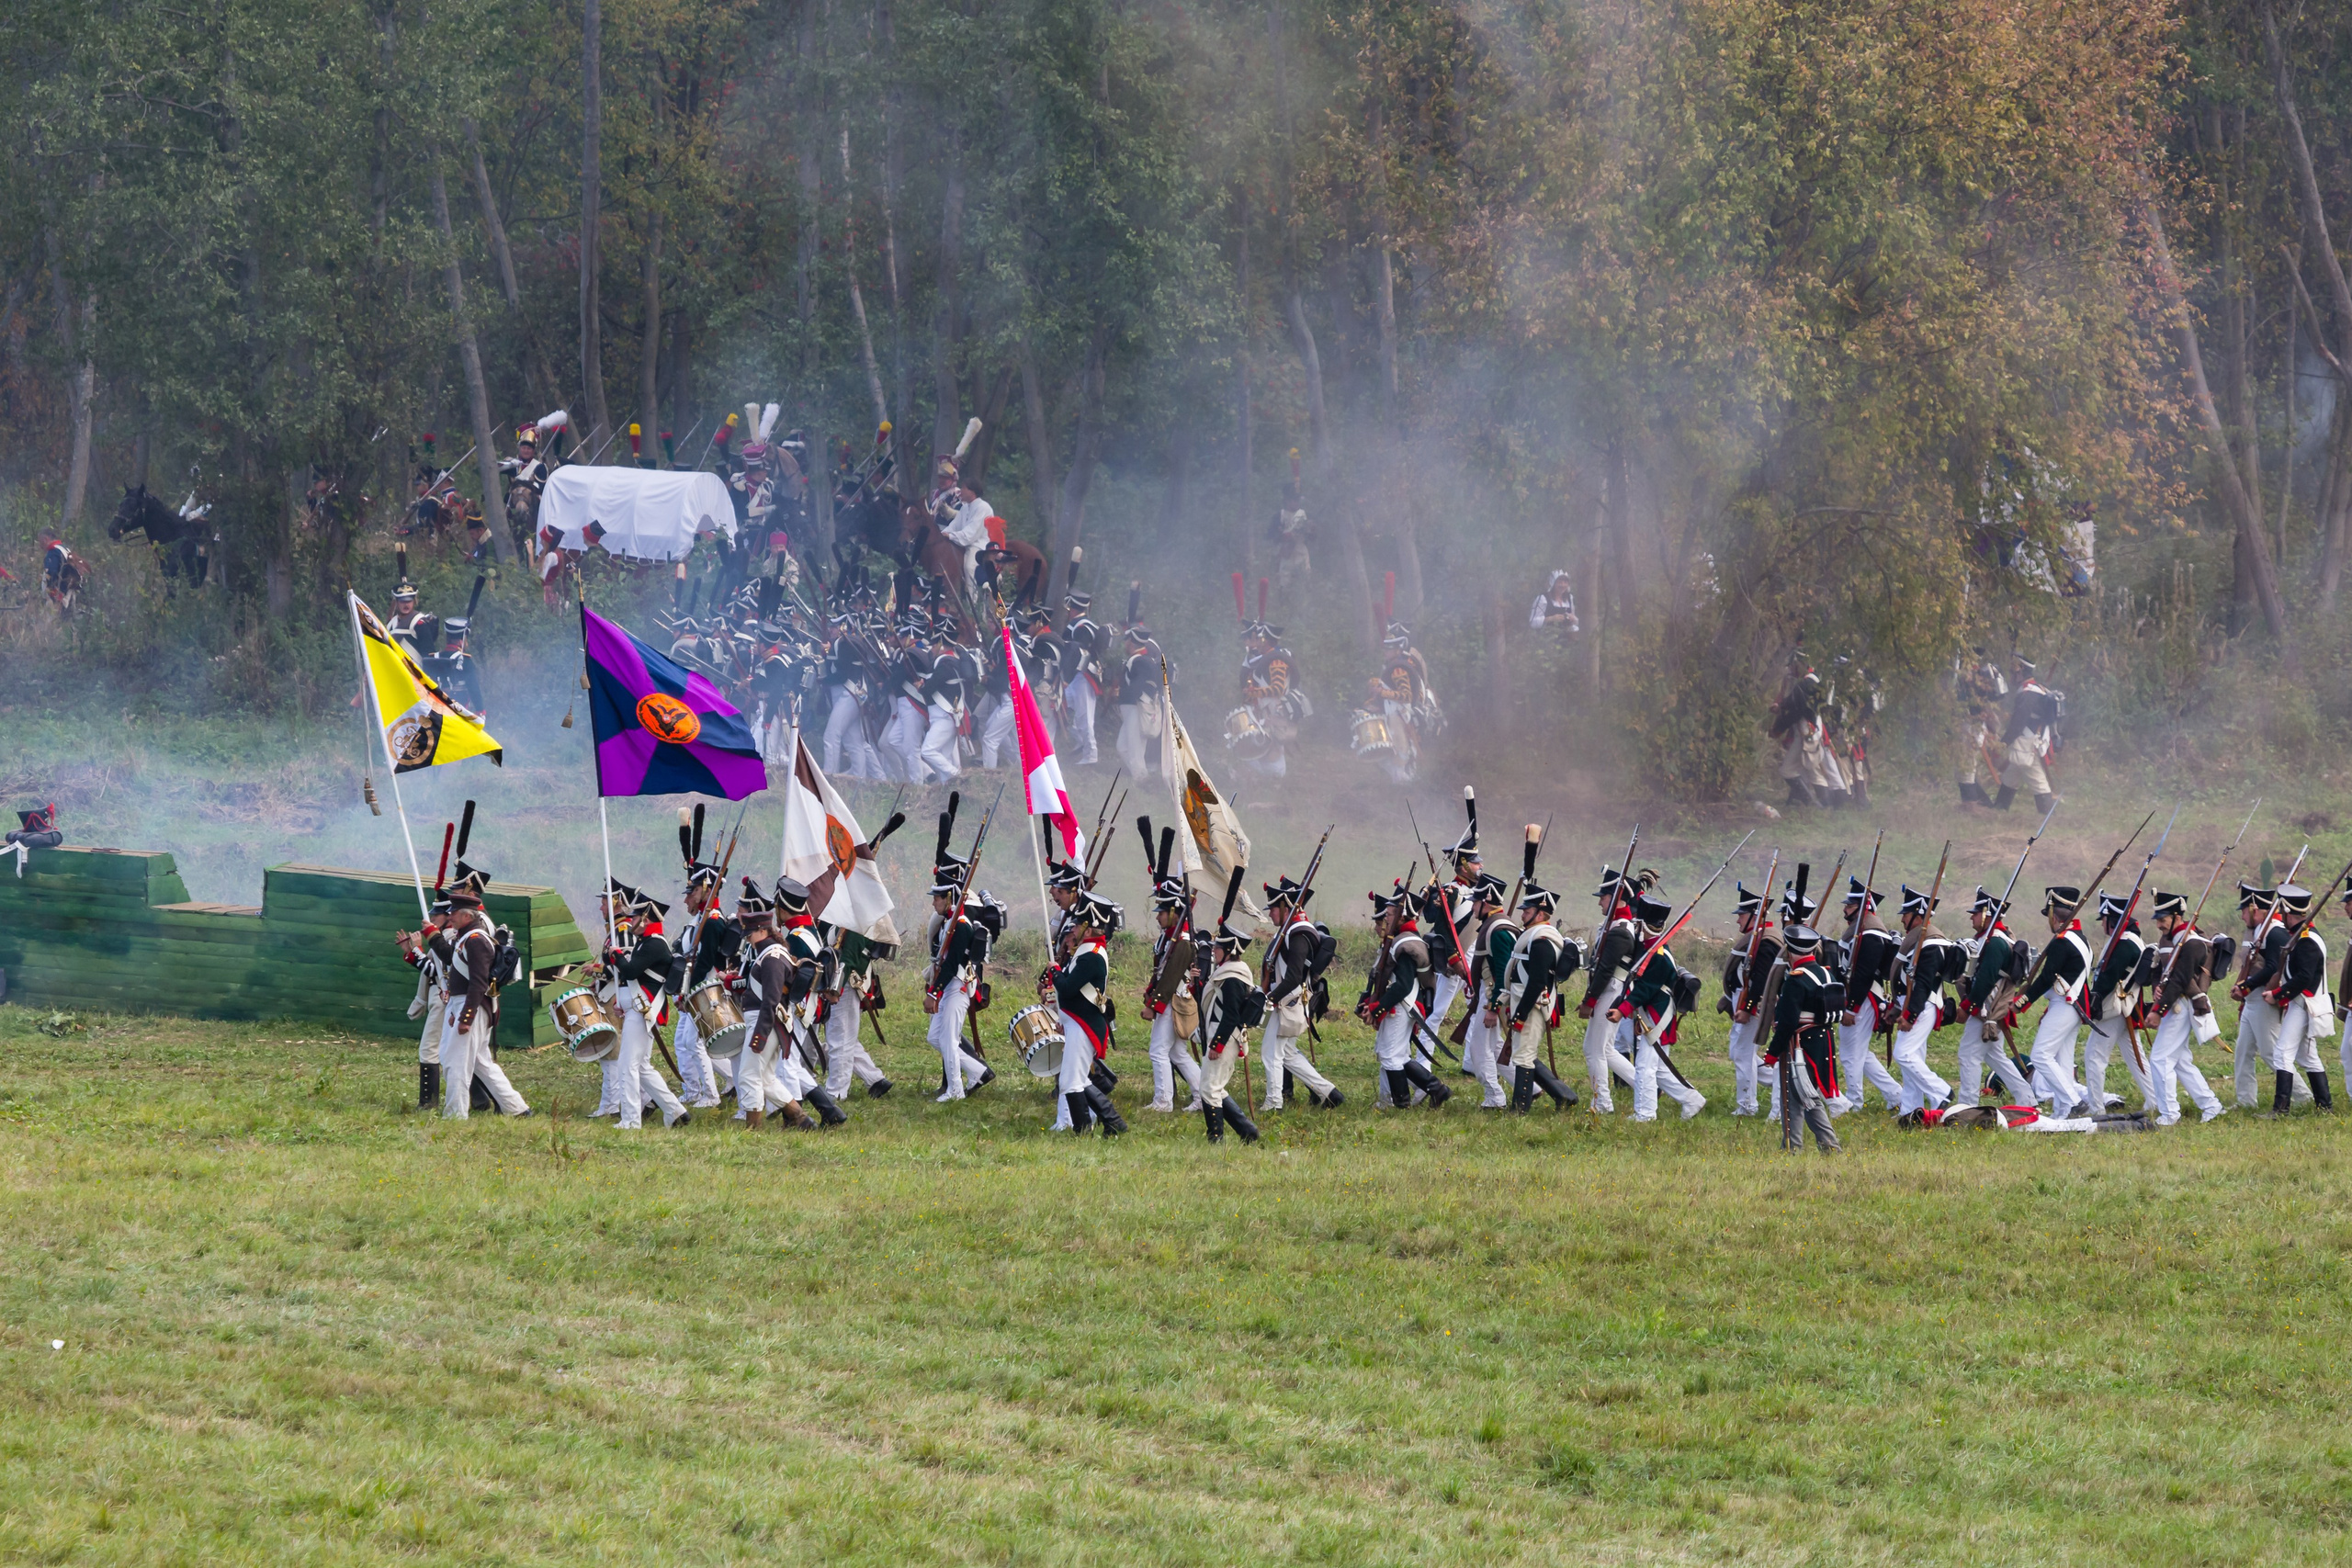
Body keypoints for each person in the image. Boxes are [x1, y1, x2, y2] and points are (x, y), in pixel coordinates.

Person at [435, 862, 529, 1119]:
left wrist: (466, 1017)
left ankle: (455, 1114)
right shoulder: (467, 938)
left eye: (454, 912)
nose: (450, 916)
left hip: (470, 1005)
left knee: (456, 1063)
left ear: (467, 915)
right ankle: (515, 1108)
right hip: (466, 1003)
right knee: (480, 1063)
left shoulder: (476, 940)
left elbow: (478, 982)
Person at [597, 880, 691, 1130]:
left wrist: (616, 955)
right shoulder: (645, 943)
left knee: (628, 1066)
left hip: (643, 1011)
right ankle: (675, 1111)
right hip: (637, 1009)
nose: (630, 921)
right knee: (642, 1067)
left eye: (635, 917)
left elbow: (630, 970)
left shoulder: (655, 944)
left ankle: (630, 1120)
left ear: (646, 920)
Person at [730, 880, 819, 1131]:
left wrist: (759, 1033)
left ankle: (753, 1128)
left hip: (764, 1022)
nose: (747, 939)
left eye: (749, 934)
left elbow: (771, 999)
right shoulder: (772, 954)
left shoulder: (771, 958)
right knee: (766, 1079)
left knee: (748, 1076)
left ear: (760, 931)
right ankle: (800, 1118)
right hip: (765, 1021)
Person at [1611, 890, 1706, 1121]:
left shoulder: (1659, 954)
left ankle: (1645, 1114)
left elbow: (1646, 989)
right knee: (1660, 1067)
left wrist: (1623, 1010)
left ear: (1644, 926)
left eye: (1638, 924)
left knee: (1645, 1066)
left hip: (1658, 1013)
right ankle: (1692, 1099)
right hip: (1651, 1012)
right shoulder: (1650, 949)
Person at [2000, 886, 2094, 1116]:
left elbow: (2046, 977)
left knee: (2041, 1056)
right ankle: (2062, 1113)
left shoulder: (2063, 941)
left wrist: (2022, 1001)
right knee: (2063, 1061)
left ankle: (2072, 1101)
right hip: (2074, 1006)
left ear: (2054, 914)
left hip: (2066, 1004)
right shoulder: (2080, 938)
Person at [1361, 884, 1453, 1111]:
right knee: (1394, 1054)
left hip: (1401, 1006)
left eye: (1390, 914)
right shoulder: (1401, 938)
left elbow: (1401, 986)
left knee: (1391, 1056)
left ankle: (1400, 1104)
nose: (1385, 917)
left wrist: (1377, 1008)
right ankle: (1435, 1089)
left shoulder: (1406, 944)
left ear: (1402, 917)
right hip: (1400, 1005)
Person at [1046, 891, 1129, 1135]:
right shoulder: (1086, 950)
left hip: (1084, 1027)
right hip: (1077, 1024)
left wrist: (1055, 972)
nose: (1073, 930)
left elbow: (1068, 988)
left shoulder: (1092, 956)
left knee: (1071, 1082)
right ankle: (1111, 1124)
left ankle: (1086, 1129)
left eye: (1078, 925)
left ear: (1089, 927)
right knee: (1077, 1080)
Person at [2142, 890, 2227, 1125]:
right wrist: (2157, 987)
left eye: (2163, 919)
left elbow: (2180, 979)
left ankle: (2169, 1114)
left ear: (2177, 917)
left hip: (2181, 1006)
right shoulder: (2170, 940)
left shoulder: (2193, 944)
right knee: (2179, 1062)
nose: (2159, 924)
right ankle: (2211, 1105)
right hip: (2172, 1002)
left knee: (2159, 1059)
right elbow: (2160, 970)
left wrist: (2158, 1011)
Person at [1258, 875, 1341, 1112]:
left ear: (1285, 907)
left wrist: (1269, 1000)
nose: (1271, 914)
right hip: (1286, 1001)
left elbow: (1294, 977)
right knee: (1287, 1054)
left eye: (1274, 909)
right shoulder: (1290, 931)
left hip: (1286, 1002)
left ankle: (1274, 1103)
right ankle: (1329, 1093)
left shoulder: (1298, 933)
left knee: (1271, 1053)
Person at [1498, 881, 1581, 1112]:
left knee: (1524, 1056)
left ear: (1540, 913)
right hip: (1522, 1001)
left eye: (1527, 910)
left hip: (1533, 1005)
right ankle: (1563, 1095)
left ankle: (1519, 1110)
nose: (1523, 913)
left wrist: (1521, 1014)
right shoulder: (1533, 936)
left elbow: (1536, 982)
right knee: (1523, 1052)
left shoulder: (1543, 940)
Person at [1951, 886, 2037, 1106]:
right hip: (1987, 1008)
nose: (1972, 916)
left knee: (1968, 1055)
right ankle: (2027, 1099)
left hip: (1986, 1008)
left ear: (1988, 914)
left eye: (1976, 912)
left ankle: (1968, 1105)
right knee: (1994, 1057)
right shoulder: (1989, 938)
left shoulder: (1996, 942)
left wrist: (1968, 1007)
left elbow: (1986, 980)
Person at [1577, 864, 1651, 1111]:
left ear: (1617, 898)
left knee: (1594, 1050)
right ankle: (1647, 1087)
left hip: (1610, 991)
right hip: (1610, 990)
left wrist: (1590, 1001)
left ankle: (1602, 1102)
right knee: (1604, 1048)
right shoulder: (1617, 926)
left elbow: (1605, 970)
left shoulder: (1620, 931)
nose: (1600, 903)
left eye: (1604, 898)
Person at [1762, 924, 1843, 1153]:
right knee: (1804, 1096)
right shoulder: (1826, 972)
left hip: (1800, 1045)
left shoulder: (1796, 980)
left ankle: (1803, 1147)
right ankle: (1804, 1146)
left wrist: (1772, 1053)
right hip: (1822, 1042)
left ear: (1789, 952)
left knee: (1796, 1096)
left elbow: (1787, 1023)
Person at [2259, 884, 2335, 1118]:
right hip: (2302, 1004)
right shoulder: (2304, 937)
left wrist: (2277, 994)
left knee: (2282, 1053)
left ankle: (2280, 1109)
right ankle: (2325, 1106)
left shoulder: (2307, 941)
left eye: (2284, 914)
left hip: (2304, 1004)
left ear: (2290, 914)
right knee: (2307, 1057)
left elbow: (2303, 977)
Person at [1832, 879, 1905, 1115]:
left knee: (1851, 1054)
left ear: (1863, 906)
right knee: (1859, 1053)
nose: (1845, 909)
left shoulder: (1871, 930)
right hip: (1860, 996)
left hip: (1863, 998)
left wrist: (1851, 1008)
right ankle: (1896, 1094)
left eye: (1851, 905)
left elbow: (1864, 972)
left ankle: (1854, 1102)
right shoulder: (1862, 928)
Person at [2079, 893, 2155, 1113]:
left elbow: (2109, 977)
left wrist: (2094, 998)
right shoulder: (2128, 940)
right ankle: (2154, 1100)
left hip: (2115, 1008)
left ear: (2111, 919)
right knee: (2135, 1057)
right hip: (2125, 1007)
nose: (2102, 924)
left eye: (2104, 919)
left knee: (2094, 1056)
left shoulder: (2124, 944)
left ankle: (2096, 1108)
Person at [1886, 885, 1958, 1120]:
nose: (1902, 920)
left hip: (1923, 1006)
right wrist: (1898, 1008)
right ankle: (1911, 1110)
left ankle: (1941, 1092)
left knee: (1903, 1054)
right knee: (1912, 1060)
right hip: (1913, 1005)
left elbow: (1923, 984)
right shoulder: (1918, 940)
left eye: (1906, 915)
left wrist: (1910, 1015)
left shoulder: (1931, 943)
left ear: (1918, 915)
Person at [924, 876, 997, 1102]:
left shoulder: (962, 925)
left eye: (936, 898)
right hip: (949, 985)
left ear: (948, 899)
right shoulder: (950, 923)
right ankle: (977, 1072)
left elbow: (952, 963)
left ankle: (955, 1090)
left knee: (948, 1040)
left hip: (958, 986)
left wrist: (932, 993)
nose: (933, 903)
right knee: (935, 1038)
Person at [1196, 908, 1263, 1145]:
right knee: (1213, 1086)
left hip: (1224, 1038)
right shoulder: (1225, 973)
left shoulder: (1234, 977)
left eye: (1217, 948)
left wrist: (1217, 1044)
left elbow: (1230, 1015)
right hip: (1219, 1035)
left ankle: (1216, 1139)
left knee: (1210, 1089)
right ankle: (1247, 1131)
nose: (1213, 951)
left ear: (1229, 951)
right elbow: (1213, 1004)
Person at [1139, 879, 1206, 1113]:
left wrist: (1153, 1005)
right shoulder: (1172, 937)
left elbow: (1170, 978)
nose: (1157, 917)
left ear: (1173, 912)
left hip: (1172, 1001)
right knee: (1177, 1053)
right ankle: (1202, 1097)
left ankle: (1163, 1102)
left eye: (1161, 912)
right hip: (1170, 1000)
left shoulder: (1183, 941)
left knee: (1158, 1051)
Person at [1721, 881, 1781, 1117]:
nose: (1737, 920)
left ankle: (1747, 1105)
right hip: (1744, 1001)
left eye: (1742, 915)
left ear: (1754, 915)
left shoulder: (1766, 940)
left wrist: (1746, 1007)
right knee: (1738, 1053)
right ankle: (1781, 1082)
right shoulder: (1757, 937)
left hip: (1755, 1006)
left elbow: (1761, 980)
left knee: (1743, 1054)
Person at [1459, 874, 1516, 1109]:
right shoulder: (1494, 925)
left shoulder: (1498, 929)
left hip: (1492, 997)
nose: (1472, 906)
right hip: (1489, 994)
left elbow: (1503, 972)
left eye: (1476, 901)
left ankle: (1494, 1096)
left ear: (1487, 901)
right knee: (1495, 1047)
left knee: (1478, 1049)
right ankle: (1531, 1088)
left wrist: (1493, 1007)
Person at [396, 896, 454, 1110]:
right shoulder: (445, 935)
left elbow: (435, 972)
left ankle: (428, 1104)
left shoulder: (447, 937)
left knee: (429, 1049)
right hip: (439, 997)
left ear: (448, 916)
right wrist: (411, 952)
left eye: (435, 914)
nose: (430, 918)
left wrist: (418, 950)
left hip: (442, 998)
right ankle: (480, 1100)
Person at [1361, 623, 1436, 784]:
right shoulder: (1392, 667)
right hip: (1392, 713)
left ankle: (1404, 784)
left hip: (1399, 715)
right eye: (1385, 648)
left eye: (1389, 649)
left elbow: (1406, 695)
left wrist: (1382, 692)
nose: (1385, 652)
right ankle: (1400, 782)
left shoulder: (1398, 669)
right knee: (1391, 751)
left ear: (1397, 650)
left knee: (1402, 750)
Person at [1767, 660, 1848, 809]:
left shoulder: (1805, 685)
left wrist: (1778, 724)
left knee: (1793, 769)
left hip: (1808, 733)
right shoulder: (1816, 683)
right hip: (1815, 731)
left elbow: (1794, 710)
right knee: (1814, 769)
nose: (1791, 668)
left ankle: (1815, 803)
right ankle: (1823, 803)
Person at [1236, 621, 1306, 778]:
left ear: (1265, 640)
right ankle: (1263, 777)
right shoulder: (1268, 658)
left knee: (1274, 748)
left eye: (1259, 639)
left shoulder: (1277, 661)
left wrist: (1255, 692)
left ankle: (1275, 778)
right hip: (1266, 710)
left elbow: (1278, 689)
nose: (1256, 643)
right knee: (1262, 745)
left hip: (1276, 711)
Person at [1996, 657, 2061, 813]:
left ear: (2021, 671)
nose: (2011, 675)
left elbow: (2017, 724)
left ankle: (2047, 813)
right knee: (2012, 772)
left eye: (2014, 671)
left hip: (2028, 740)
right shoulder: (2033, 689)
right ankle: (1999, 807)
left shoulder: (2029, 693)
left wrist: (2002, 743)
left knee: (2034, 775)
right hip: (2029, 739)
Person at [1955, 649, 2008, 807]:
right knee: (1963, 770)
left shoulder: (1977, 685)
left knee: (1967, 770)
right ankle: (1982, 803)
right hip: (1971, 728)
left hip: (1972, 730)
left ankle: (1971, 805)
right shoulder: (1971, 681)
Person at [1060, 591, 1105, 764]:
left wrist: (1066, 677)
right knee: (1065, 706)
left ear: (1072, 608)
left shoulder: (1082, 628)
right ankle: (1080, 743)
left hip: (1083, 675)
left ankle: (1091, 754)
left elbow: (1079, 653)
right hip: (1076, 677)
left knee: (1085, 718)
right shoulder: (1080, 624)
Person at [1114, 624, 1163, 780]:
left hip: (1137, 708)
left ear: (1131, 642)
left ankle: (1141, 779)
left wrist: (1121, 694)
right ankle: (1142, 776)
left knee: (1135, 748)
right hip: (1133, 709)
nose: (1125, 644)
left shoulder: (1141, 661)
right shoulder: (1144, 660)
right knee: (1122, 747)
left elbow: (1139, 685)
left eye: (1126, 641)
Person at [1528, 570, 1579, 635]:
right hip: (1547, 638)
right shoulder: (1543, 598)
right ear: (1553, 583)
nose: (1563, 585)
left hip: (1567, 638)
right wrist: (1551, 619)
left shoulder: (1569, 598)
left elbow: (1574, 620)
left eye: (1565, 582)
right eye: (1559, 582)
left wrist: (1573, 619)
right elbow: (1532, 622)